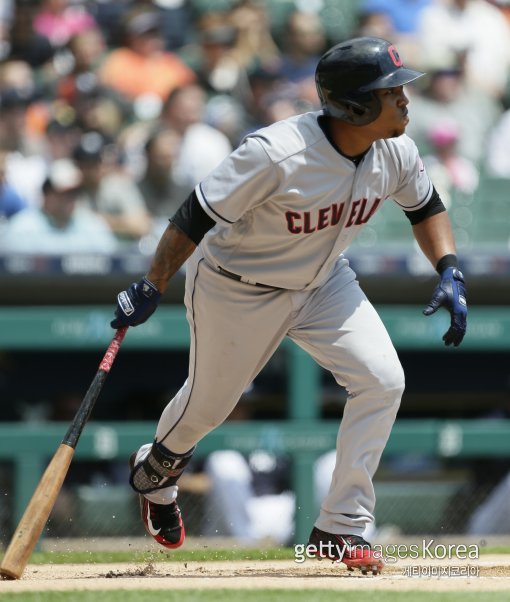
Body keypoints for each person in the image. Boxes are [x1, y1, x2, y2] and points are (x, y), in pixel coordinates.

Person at [111, 37, 468, 575]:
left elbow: (426, 207)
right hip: (239, 286)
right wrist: (151, 284)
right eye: (390, 91)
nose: (404, 99)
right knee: (209, 408)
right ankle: (156, 472)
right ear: (355, 105)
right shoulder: (276, 152)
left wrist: (449, 268)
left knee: (383, 380)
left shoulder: (396, 151)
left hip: (324, 282)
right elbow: (193, 215)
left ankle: (341, 525)